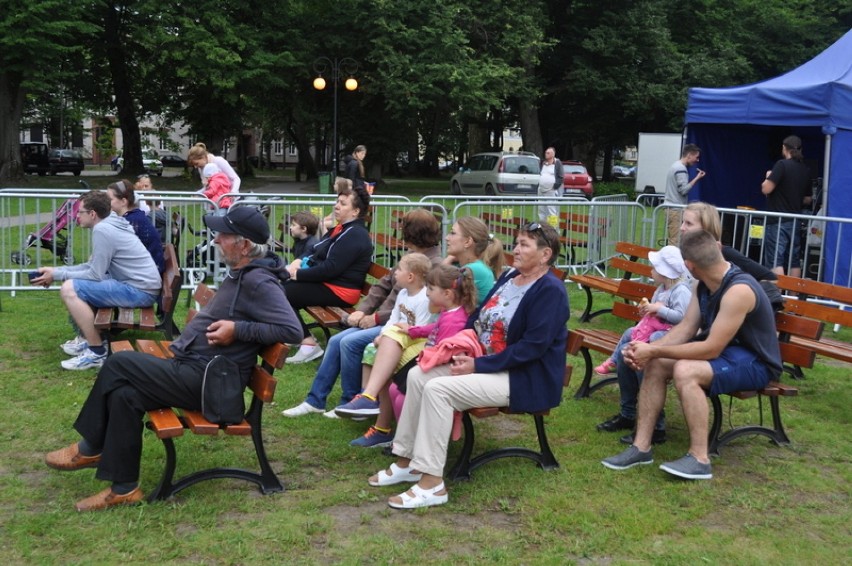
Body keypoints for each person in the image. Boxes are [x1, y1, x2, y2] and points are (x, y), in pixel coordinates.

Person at [43, 206, 303, 511]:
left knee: (119, 361)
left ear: (244, 245)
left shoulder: (260, 281)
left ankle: (92, 447)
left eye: (223, 235)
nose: (216, 240)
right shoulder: (243, 273)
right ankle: (125, 488)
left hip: (209, 384)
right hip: (196, 369)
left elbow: (292, 329)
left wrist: (238, 329)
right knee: (125, 393)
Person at [368, 222, 569, 509]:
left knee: (438, 390)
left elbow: (531, 349)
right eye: (517, 242)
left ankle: (432, 484)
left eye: (525, 244)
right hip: (487, 363)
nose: (516, 249)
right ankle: (408, 461)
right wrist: (459, 349)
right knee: (417, 374)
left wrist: (478, 364)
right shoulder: (511, 276)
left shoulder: (551, 290)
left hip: (522, 377)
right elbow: (479, 316)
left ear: (546, 254)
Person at [601, 230, 782, 480]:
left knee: (686, 370)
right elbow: (686, 328)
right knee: (656, 363)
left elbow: (711, 348)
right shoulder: (702, 283)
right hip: (728, 353)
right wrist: (645, 349)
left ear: (689, 265)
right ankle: (641, 447)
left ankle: (699, 458)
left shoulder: (739, 290)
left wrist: (654, 348)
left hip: (757, 362)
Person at [281, 208, 443, 418]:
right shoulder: (412, 255)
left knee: (348, 342)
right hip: (388, 321)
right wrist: (364, 311)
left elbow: (408, 305)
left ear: (412, 232)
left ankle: (351, 400)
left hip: (401, 328)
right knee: (336, 340)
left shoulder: (431, 264)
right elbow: (383, 286)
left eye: (404, 227)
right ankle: (315, 401)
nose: (401, 230)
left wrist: (373, 318)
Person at [342, 264, 478, 448]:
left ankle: (408, 442)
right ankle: (401, 438)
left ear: (447, 294)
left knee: (400, 393)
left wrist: (421, 354)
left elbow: (444, 348)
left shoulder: (455, 319)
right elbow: (434, 328)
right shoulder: (449, 312)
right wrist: (415, 331)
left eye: (431, 289)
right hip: (431, 359)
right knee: (393, 389)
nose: (427, 293)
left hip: (437, 365)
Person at [30, 191, 161, 371]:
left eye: (80, 212)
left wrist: (58, 275)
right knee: (72, 284)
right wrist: (56, 271)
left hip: (139, 291)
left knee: (69, 288)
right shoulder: (109, 223)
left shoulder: (103, 229)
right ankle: (90, 340)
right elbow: (92, 267)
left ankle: (96, 352)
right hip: (139, 286)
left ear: (92, 214)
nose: (76, 216)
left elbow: (94, 275)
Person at [594, 245, 692, 445]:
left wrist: (659, 310)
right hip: (652, 337)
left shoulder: (681, 291)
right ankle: (628, 413)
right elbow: (654, 314)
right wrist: (647, 311)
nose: (651, 271)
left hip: (667, 343)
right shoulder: (661, 289)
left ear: (665, 272)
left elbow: (682, 319)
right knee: (628, 345)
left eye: (655, 268)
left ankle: (656, 426)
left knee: (641, 362)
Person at [333, 254, 433, 422]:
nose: (394, 272)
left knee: (384, 355)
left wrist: (390, 336)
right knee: (371, 349)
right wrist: (383, 335)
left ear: (410, 276)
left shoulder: (424, 298)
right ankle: (366, 398)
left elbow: (419, 329)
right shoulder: (402, 293)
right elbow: (394, 319)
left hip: (414, 340)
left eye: (399, 269)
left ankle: (370, 399)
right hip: (396, 337)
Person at [284, 185, 374, 364]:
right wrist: (298, 262)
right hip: (329, 284)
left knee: (282, 292)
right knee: (280, 287)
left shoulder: (355, 234)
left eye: (343, 203)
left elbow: (331, 269)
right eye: (337, 201)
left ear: (356, 211)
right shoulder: (341, 229)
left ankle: (308, 345)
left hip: (341, 291)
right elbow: (315, 250)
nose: (336, 206)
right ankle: (296, 335)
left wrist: (298, 275)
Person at [761, 135, 812, 277]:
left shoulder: (781, 165)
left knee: (775, 260)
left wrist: (768, 176)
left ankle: (777, 296)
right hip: (795, 219)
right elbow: (808, 199)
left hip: (777, 219)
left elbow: (766, 189)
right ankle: (793, 296)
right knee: (794, 261)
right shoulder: (805, 169)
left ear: (784, 148)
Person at [106, 180, 165, 274]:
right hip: (144, 274)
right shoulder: (133, 218)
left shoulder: (131, 222)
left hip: (143, 277)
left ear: (123, 201)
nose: (106, 203)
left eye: (110, 199)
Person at [443, 216, 504, 304]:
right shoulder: (462, 265)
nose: (446, 238)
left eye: (452, 233)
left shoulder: (475, 269)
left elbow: (437, 297)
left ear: (467, 242)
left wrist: (445, 262)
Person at [664, 144, 706, 245]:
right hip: (675, 210)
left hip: (671, 208)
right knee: (675, 241)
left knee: (674, 239)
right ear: (689, 155)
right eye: (696, 157)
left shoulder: (675, 165)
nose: (697, 160)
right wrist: (697, 178)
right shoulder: (681, 169)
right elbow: (683, 190)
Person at [538, 147, 565, 223]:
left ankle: (553, 229)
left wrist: (555, 186)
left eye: (548, 153)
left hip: (551, 190)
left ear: (553, 154)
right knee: (541, 210)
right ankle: (542, 227)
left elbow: (561, 176)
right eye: (546, 152)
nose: (546, 154)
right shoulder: (542, 162)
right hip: (541, 189)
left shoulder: (557, 163)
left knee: (552, 210)